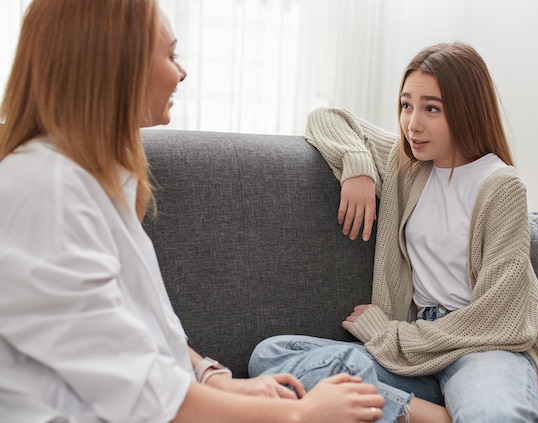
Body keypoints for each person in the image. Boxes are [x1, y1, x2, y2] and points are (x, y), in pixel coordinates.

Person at [0, 0, 387, 422]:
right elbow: (146, 399)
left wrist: (211, 377)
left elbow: (130, 328)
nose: (180, 73)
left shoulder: (92, 181)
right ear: (117, 62)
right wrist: (302, 416)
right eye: (171, 55)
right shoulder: (44, 191)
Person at [248, 42, 538, 422]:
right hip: (416, 350)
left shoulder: (500, 186)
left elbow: (500, 318)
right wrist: (357, 167)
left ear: (467, 110)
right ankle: (421, 414)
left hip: (483, 349)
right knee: (273, 355)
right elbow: (327, 118)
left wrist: (388, 336)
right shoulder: (407, 165)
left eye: (431, 108)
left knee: (494, 414)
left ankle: (420, 407)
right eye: (406, 105)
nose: (412, 124)